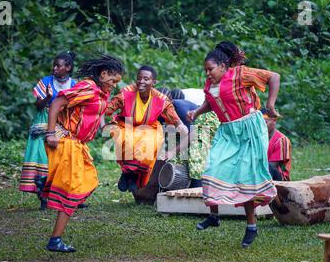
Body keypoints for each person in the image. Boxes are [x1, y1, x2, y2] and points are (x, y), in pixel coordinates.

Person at [187, 41, 280, 248]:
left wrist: (270, 104)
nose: (208, 73)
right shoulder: (210, 83)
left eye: (210, 69)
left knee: (244, 177)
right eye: (206, 70)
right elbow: (211, 102)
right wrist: (197, 112)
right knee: (212, 168)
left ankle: (251, 227)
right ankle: (214, 216)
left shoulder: (240, 74)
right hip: (228, 131)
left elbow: (274, 77)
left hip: (249, 129)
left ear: (222, 66)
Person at [42, 54, 124, 252]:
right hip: (66, 141)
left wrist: (106, 125)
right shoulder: (87, 87)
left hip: (78, 144)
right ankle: (55, 240)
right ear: (103, 74)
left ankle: (47, 185)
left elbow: (94, 114)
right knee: (75, 188)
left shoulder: (99, 92)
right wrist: (51, 133)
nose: (114, 85)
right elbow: (55, 104)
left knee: (89, 181)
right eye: (113, 80)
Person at [106, 66, 188, 193]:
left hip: (148, 128)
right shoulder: (126, 93)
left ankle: (134, 176)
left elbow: (174, 117)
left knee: (150, 141)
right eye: (139, 78)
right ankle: (127, 173)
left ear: (154, 82)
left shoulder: (161, 99)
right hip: (126, 125)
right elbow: (108, 109)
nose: (141, 82)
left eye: (146, 79)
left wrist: (181, 127)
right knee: (126, 138)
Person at [19, 52, 77, 210]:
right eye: (54, 65)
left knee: (63, 157)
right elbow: (37, 105)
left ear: (68, 67)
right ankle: (43, 196)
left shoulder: (74, 85)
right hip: (43, 121)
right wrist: (47, 98)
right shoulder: (46, 82)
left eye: (58, 66)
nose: (55, 68)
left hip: (63, 122)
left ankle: (69, 195)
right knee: (42, 158)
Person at [262, 109, 292, 181]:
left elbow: (272, 166)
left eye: (265, 123)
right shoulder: (258, 138)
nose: (262, 126)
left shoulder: (282, 140)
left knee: (268, 167)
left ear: (274, 121)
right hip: (262, 172)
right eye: (260, 123)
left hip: (279, 178)